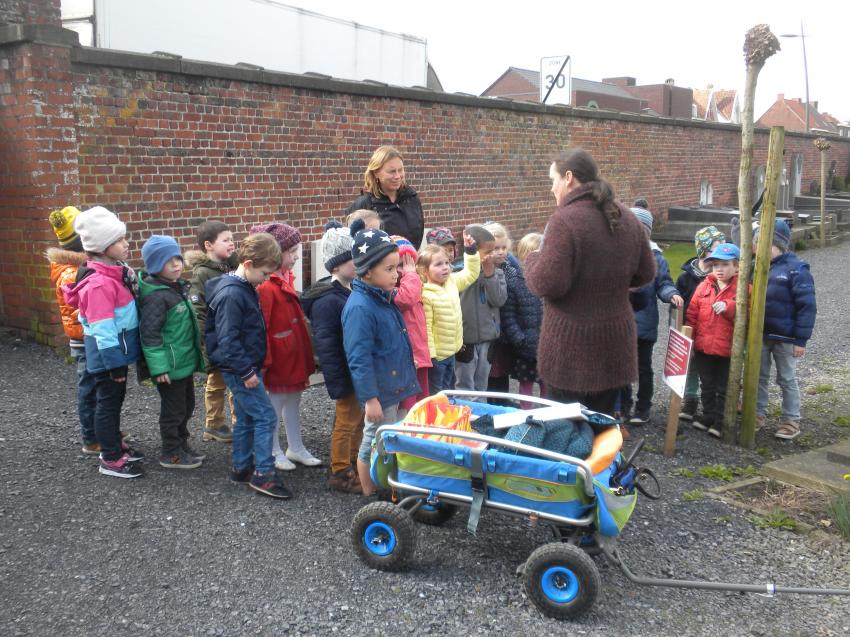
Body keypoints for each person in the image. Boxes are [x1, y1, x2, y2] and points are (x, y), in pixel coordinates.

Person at [525, 149, 656, 415]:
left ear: (569, 178)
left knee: (565, 436)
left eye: (553, 180)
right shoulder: (626, 216)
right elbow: (646, 272)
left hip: (572, 350)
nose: (552, 188)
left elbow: (546, 284)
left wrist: (532, 259)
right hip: (614, 345)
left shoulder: (566, 220)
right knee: (602, 431)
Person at [205, 233, 292, 499]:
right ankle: (263, 474)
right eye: (265, 273)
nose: (266, 279)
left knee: (245, 418)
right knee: (265, 417)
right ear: (249, 263)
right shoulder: (232, 294)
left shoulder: (242, 287)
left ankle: (241, 467)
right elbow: (228, 339)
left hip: (243, 367)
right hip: (240, 369)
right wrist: (246, 371)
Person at [62, 206, 144, 478]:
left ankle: (113, 443)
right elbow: (103, 329)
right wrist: (115, 365)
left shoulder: (115, 272)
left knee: (114, 401)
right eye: (119, 240)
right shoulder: (99, 284)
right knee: (107, 404)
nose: (126, 243)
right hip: (108, 358)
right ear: (101, 247)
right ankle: (110, 457)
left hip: (116, 356)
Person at [342, 220, 419, 496]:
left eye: (397, 267)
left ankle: (390, 486)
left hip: (396, 384)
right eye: (389, 269)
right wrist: (370, 398)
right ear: (367, 272)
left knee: (393, 437)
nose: (396, 274)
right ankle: (369, 494)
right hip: (381, 393)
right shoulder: (361, 308)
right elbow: (359, 358)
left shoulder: (383, 296)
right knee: (373, 441)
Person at [251, 223, 321, 470]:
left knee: (293, 401)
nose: (295, 257)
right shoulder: (266, 286)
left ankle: (295, 446)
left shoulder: (286, 279)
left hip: (292, 353)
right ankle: (273, 450)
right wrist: (266, 361)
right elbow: (263, 327)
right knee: (274, 404)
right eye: (290, 251)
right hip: (278, 357)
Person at [302, 221, 363, 494]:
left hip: (357, 370)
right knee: (345, 422)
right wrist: (337, 381)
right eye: (353, 259)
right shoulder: (328, 301)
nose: (359, 264)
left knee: (357, 419)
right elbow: (327, 345)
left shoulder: (350, 290)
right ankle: (340, 470)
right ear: (337, 265)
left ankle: (354, 461)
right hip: (345, 372)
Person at [138, 235, 205, 469]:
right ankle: (171, 452)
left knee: (187, 405)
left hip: (182, 362)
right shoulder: (156, 296)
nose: (177, 264)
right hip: (170, 366)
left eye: (178, 258)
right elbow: (150, 335)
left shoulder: (175, 288)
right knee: (173, 410)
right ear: (156, 265)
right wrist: (159, 368)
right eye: (169, 261)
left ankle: (181, 443)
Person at [754, 220, 817, 441]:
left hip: (786, 337)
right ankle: (757, 414)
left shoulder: (796, 269)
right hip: (761, 334)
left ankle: (791, 419)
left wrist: (801, 340)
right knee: (758, 375)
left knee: (786, 378)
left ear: (776, 243)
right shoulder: (759, 266)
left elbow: (807, 306)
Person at [622, 207, 683, 426]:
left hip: (644, 325)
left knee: (643, 368)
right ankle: (623, 404)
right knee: (622, 368)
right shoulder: (619, 256)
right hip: (621, 325)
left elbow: (664, 283)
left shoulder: (656, 259)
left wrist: (672, 295)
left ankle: (643, 406)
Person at [46, 206, 99, 455]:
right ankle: (91, 437)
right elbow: (80, 306)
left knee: (100, 384)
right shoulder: (71, 272)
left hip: (90, 335)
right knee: (89, 386)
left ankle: (102, 428)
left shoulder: (77, 267)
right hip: (83, 337)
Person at [685, 243, 743, 438]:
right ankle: (708, 414)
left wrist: (729, 307)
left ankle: (721, 420)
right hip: (704, 346)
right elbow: (692, 314)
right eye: (716, 264)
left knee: (723, 387)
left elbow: (747, 312)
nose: (719, 269)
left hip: (727, 349)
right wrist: (690, 340)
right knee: (707, 384)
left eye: (725, 264)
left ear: (737, 267)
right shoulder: (704, 286)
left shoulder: (743, 289)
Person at [187, 220, 237, 443]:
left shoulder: (230, 266)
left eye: (232, 239)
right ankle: (213, 424)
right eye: (226, 240)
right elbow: (199, 311)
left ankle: (239, 422)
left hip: (231, 336)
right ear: (208, 245)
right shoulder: (202, 275)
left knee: (236, 383)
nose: (231, 244)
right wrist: (206, 343)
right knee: (216, 383)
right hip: (215, 339)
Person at [418, 235, 480, 396]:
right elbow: (427, 329)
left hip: (452, 351)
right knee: (437, 392)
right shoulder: (426, 294)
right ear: (425, 270)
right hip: (437, 357)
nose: (445, 267)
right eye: (438, 264)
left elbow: (471, 274)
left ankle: (448, 412)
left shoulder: (451, 282)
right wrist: (431, 357)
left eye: (447, 263)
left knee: (449, 390)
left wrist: (471, 251)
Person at [676, 225, 726, 422]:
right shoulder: (686, 277)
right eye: (716, 246)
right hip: (691, 326)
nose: (721, 250)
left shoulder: (721, 276)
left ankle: (712, 406)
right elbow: (679, 304)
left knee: (710, 370)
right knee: (691, 365)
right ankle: (690, 400)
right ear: (704, 250)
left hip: (712, 331)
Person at [456, 222, 507, 394]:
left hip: (487, 338)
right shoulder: (459, 273)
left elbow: (499, 300)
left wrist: (489, 274)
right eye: (488, 251)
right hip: (465, 340)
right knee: (464, 386)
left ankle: (481, 419)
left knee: (481, 387)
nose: (493, 255)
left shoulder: (497, 273)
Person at [345, 146, 424, 247]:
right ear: (376, 172)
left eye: (400, 170)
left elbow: (419, 235)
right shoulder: (365, 204)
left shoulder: (412, 198)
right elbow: (352, 244)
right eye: (391, 171)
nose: (397, 176)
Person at [499, 232, 545, 406]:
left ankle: (547, 417)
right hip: (525, 348)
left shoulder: (547, 281)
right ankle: (525, 415)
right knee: (526, 386)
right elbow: (508, 316)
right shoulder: (516, 283)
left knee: (546, 386)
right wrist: (519, 339)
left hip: (545, 347)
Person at [391, 236, 431, 410]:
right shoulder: (395, 288)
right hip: (408, 356)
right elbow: (405, 299)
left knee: (421, 400)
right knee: (408, 404)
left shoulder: (411, 283)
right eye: (400, 265)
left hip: (419, 352)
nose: (405, 270)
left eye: (409, 265)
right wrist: (411, 274)